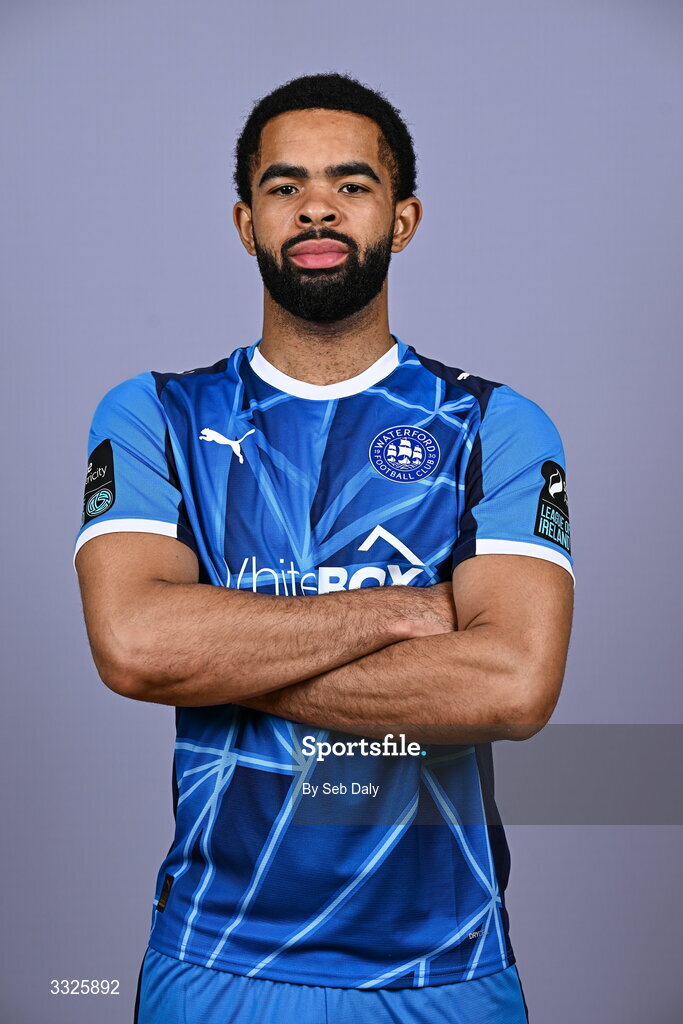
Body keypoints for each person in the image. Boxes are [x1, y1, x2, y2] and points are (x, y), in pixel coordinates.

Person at [74, 72, 574, 1024]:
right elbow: (135, 646)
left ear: (404, 218)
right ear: (243, 222)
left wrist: (215, 652)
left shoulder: (495, 425)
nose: (315, 207)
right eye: (282, 186)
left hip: (444, 969)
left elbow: (509, 687)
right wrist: (406, 611)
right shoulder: (155, 415)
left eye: (351, 185)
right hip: (215, 958)